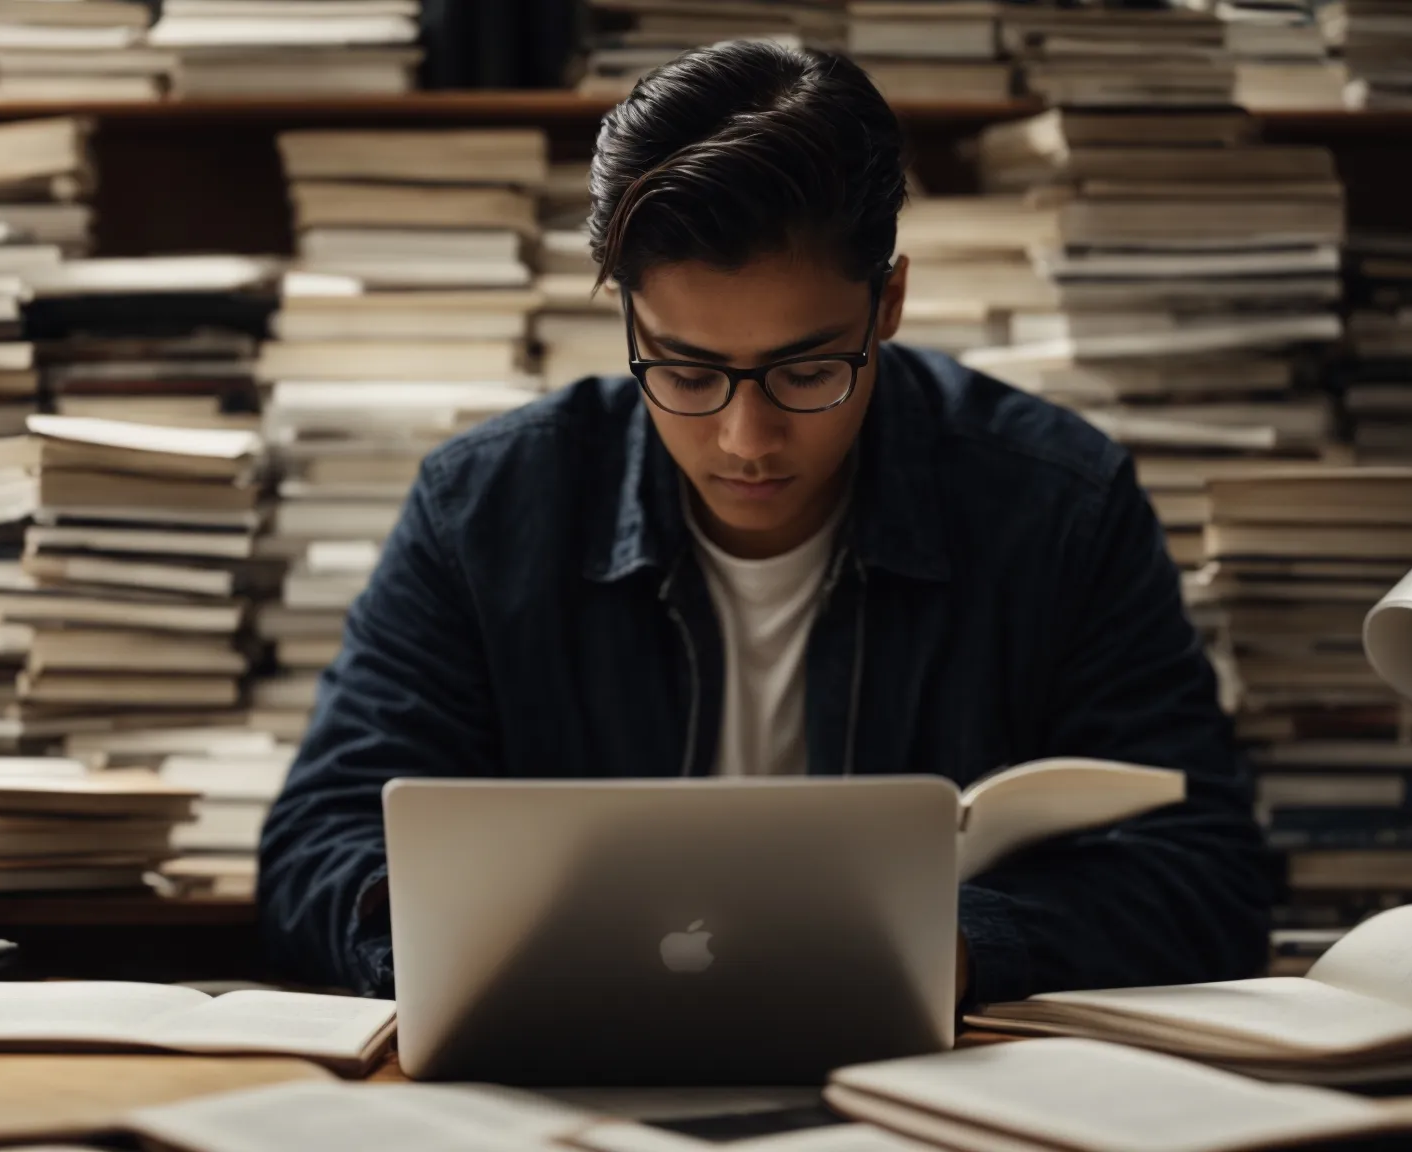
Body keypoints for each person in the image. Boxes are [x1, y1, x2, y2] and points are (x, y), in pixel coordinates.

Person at [258, 41, 1272, 1004]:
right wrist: (478, 937)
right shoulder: (485, 510)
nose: (746, 438)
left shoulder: (1057, 506)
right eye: (686, 372)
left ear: (888, 304)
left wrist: (948, 946)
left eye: (805, 370)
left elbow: (1204, 875)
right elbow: (318, 844)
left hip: (929, 1085)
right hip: (566, 1074)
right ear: (626, 319)